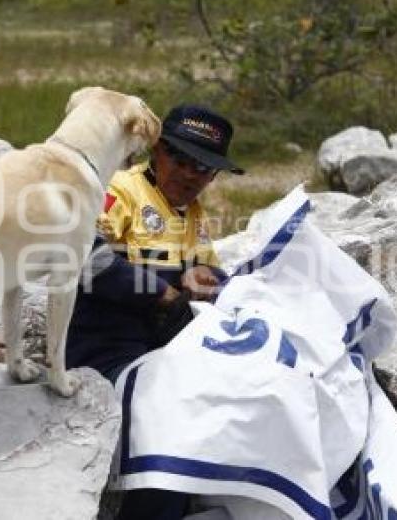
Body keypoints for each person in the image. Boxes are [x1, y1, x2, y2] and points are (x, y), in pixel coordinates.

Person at [66, 104, 244, 520]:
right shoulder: (121, 190)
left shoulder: (192, 214)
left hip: (163, 353)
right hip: (104, 354)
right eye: (181, 161)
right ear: (157, 151)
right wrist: (162, 291)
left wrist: (205, 274)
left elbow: (211, 267)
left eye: (204, 170)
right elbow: (83, 257)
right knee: (168, 429)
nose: (190, 176)